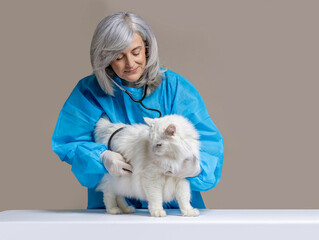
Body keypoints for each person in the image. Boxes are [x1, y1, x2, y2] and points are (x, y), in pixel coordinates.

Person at [52, 11, 224, 210]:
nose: (130, 64)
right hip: (117, 200)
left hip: (171, 205)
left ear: (147, 49)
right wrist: (100, 157)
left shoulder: (175, 88)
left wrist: (196, 166)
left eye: (136, 52)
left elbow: (209, 143)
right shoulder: (89, 92)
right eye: (118, 57)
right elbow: (69, 142)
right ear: (105, 58)